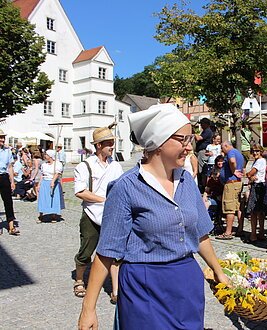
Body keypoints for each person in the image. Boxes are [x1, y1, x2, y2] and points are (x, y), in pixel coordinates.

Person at [78, 104, 228, 329]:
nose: (189, 147)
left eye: (190, 140)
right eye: (183, 140)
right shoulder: (126, 187)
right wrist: (88, 309)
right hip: (144, 285)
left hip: (186, 282)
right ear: (159, 141)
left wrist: (218, 271)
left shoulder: (186, 181)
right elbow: (106, 251)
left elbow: (199, 234)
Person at [73, 126, 123, 303]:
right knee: (87, 249)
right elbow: (80, 191)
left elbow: (122, 187)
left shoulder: (116, 166)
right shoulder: (85, 165)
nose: (112, 147)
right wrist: (103, 199)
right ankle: (79, 280)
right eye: (109, 144)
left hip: (112, 216)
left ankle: (116, 290)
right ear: (99, 145)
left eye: (113, 143)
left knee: (115, 253)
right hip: (91, 214)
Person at [215, 141, 245, 240]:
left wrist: (233, 171)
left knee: (229, 208)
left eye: (222, 148)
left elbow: (232, 161)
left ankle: (228, 232)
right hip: (237, 183)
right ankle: (240, 229)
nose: (221, 150)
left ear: (226, 146)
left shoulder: (231, 152)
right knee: (238, 207)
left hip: (231, 183)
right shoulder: (238, 153)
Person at [245, 144, 267, 242]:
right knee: (260, 212)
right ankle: (260, 232)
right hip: (260, 185)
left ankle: (253, 234)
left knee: (254, 212)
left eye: (257, 151)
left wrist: (249, 176)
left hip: (257, 186)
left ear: (261, 151)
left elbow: (250, 173)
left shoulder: (260, 161)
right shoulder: (258, 161)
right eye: (253, 151)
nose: (255, 153)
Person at [0, 129, 20, 235]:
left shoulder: (7, 151)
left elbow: (10, 167)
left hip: (4, 177)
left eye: (3, 137)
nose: (2, 139)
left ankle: (11, 227)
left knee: (8, 201)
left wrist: (12, 181)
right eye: (0, 137)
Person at [37, 150, 64, 223]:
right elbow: (42, 175)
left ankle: (53, 215)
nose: (45, 156)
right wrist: (39, 184)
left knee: (53, 198)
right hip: (44, 182)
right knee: (43, 198)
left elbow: (57, 173)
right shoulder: (44, 165)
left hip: (53, 182)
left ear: (51, 156)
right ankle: (41, 215)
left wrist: (52, 181)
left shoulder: (57, 164)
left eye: (46, 155)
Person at [195, 117, 213, 190]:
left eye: (202, 124)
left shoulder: (207, 131)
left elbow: (199, 138)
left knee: (202, 169)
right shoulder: (205, 131)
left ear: (206, 124)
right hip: (201, 151)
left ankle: (203, 186)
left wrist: (194, 133)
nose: (201, 126)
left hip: (203, 151)